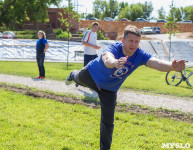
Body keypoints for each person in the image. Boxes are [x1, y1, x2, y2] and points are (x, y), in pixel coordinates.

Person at [65, 25, 185, 150]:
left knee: (108, 122)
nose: (133, 45)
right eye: (130, 41)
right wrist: (114, 63)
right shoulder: (114, 48)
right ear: (123, 40)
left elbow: (156, 63)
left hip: (109, 90)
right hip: (91, 76)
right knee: (77, 77)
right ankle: (71, 75)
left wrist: (172, 66)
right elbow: (107, 58)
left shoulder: (139, 55)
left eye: (136, 41)